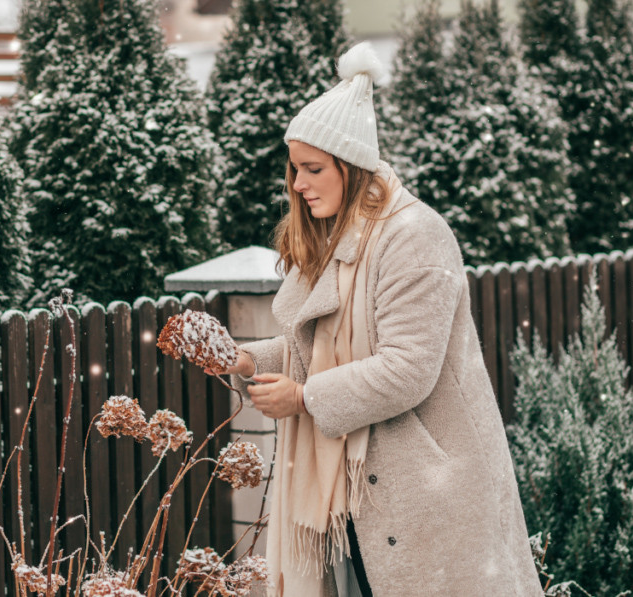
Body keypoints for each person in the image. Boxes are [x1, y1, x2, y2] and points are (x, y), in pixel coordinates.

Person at [220, 42, 544, 597]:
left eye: (313, 169)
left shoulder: (414, 237)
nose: (297, 184)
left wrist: (304, 398)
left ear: (350, 168)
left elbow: (407, 369)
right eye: (294, 169)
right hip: (358, 495)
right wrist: (247, 359)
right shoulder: (336, 239)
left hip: (428, 494)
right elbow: (318, 343)